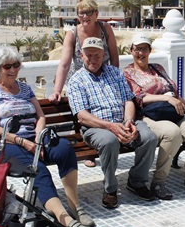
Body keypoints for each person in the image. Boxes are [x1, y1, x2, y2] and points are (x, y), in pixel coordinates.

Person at [0, 45, 95, 227]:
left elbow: (40, 116)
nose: (14, 70)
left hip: (33, 139)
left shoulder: (24, 88)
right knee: (37, 168)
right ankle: (65, 220)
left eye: (16, 65)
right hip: (5, 145)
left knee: (65, 149)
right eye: (8, 66)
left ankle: (75, 208)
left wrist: (38, 140)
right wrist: (23, 142)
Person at [67, 37, 158, 209]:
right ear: (81, 55)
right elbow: (82, 116)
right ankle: (110, 188)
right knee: (109, 141)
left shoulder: (115, 73)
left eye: (97, 55)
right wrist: (110, 126)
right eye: (89, 55)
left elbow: (128, 101)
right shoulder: (76, 81)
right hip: (96, 127)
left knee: (149, 137)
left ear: (104, 55)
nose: (93, 59)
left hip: (122, 121)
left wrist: (129, 121)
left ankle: (137, 182)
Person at [123, 33, 185, 199]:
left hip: (172, 112)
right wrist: (166, 98)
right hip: (148, 115)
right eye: (137, 49)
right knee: (172, 133)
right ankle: (158, 182)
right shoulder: (128, 73)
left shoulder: (158, 68)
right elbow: (138, 98)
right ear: (131, 51)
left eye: (144, 49)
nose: (141, 53)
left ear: (150, 51)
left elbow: (174, 94)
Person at [48, 0, 120, 168]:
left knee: (104, 109)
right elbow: (65, 64)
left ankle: (105, 144)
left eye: (89, 12)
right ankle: (91, 150)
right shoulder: (72, 34)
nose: (85, 16)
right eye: (81, 13)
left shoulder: (105, 29)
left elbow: (115, 57)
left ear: (96, 14)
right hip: (82, 79)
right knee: (85, 113)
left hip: (104, 76)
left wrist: (114, 78)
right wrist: (57, 90)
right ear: (77, 15)